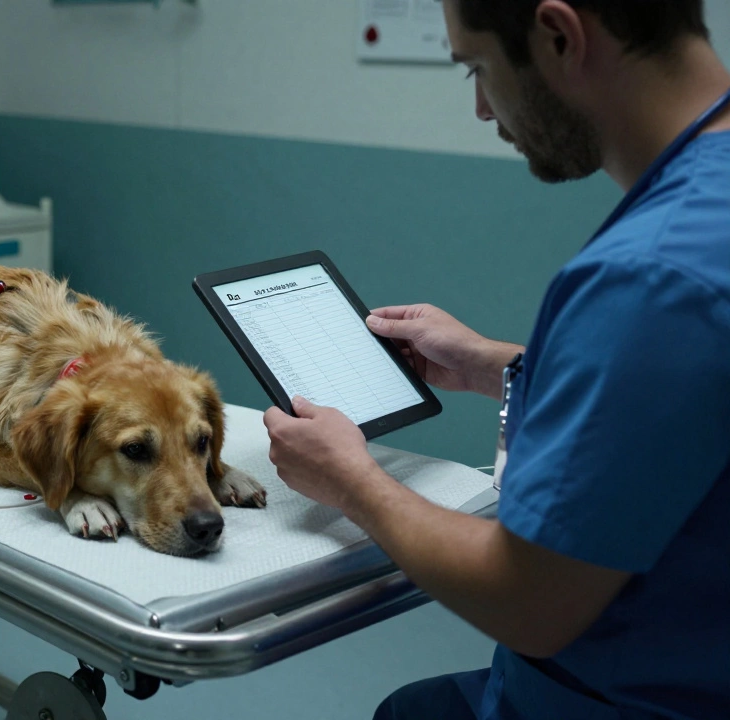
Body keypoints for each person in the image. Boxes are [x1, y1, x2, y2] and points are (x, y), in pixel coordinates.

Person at [263, 1, 730, 718]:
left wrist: (351, 479)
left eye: (478, 67)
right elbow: (690, 396)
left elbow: (531, 605)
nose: (483, 107)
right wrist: (503, 365)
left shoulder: (648, 275)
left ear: (559, 35)